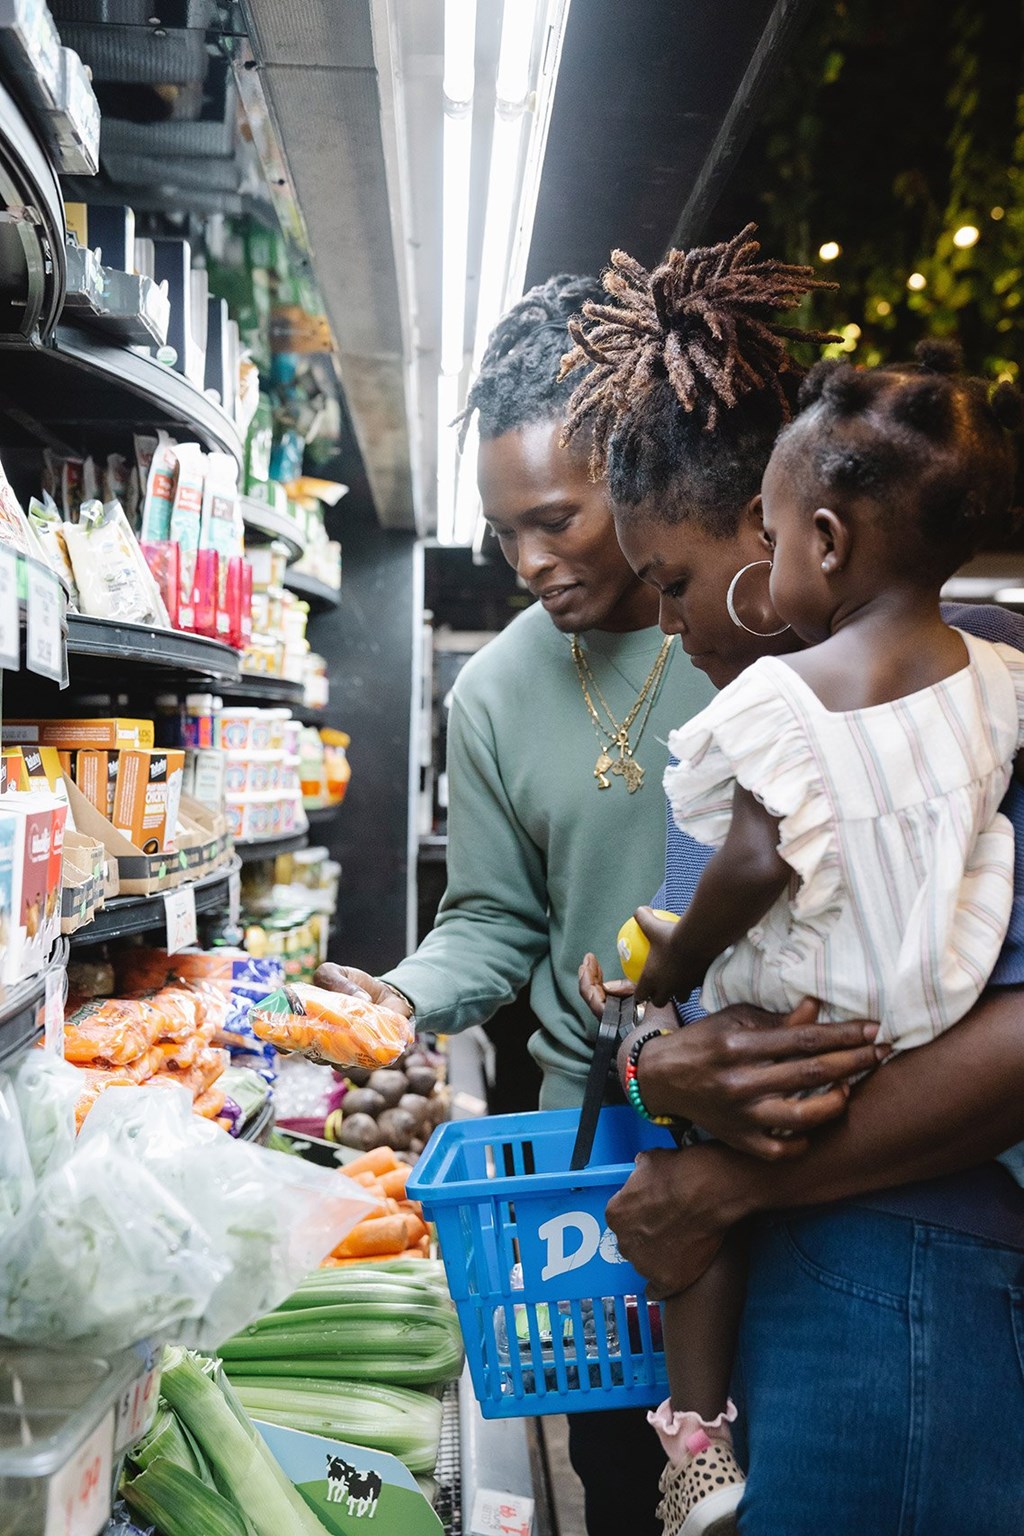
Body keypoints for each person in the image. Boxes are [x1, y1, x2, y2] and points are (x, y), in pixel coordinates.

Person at [314, 272, 851, 1536]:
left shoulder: (756, 618)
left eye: (556, 518)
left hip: (803, 1123)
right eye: (505, 534)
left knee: (783, 1461)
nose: (530, 563)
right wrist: (397, 996)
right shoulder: (497, 693)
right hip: (598, 1169)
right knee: (626, 1478)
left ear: (637, 468)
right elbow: (497, 919)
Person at [567, 227, 1024, 1536]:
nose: (674, 624)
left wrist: (727, 1178)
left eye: (683, 581)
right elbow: (688, 990)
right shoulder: (775, 731)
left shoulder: (962, 696)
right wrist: (656, 1057)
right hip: (791, 1269)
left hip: (900, 1271)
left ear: (786, 544)